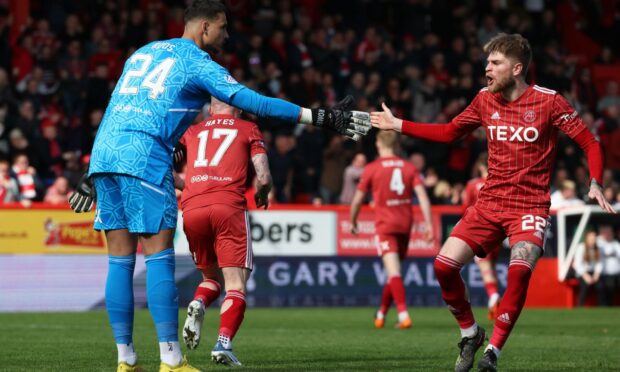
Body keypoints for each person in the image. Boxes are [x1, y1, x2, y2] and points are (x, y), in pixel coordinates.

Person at [68, 1, 371, 371]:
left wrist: (91, 171)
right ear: (206, 27)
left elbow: (117, 109)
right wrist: (320, 116)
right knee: (159, 256)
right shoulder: (198, 62)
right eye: (224, 28)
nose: (227, 35)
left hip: (107, 156)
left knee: (119, 262)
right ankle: (171, 361)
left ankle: (126, 360)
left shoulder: (142, 53)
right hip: (146, 157)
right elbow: (254, 102)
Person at [371, 33, 616, 372]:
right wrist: (398, 124)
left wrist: (595, 182)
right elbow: (449, 132)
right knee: (443, 266)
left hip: (529, 207)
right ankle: (471, 334)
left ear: (517, 68)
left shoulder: (549, 102)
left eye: (495, 63)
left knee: (518, 273)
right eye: (487, 62)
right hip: (489, 204)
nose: (486, 68)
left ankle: (493, 353)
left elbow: (590, 142)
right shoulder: (485, 99)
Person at [178, 98, 270, 366]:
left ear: (210, 107)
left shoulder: (192, 131)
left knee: (211, 278)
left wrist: (185, 185)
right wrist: (263, 193)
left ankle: (198, 302)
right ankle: (223, 344)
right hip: (228, 206)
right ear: (238, 106)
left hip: (192, 208)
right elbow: (263, 175)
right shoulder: (247, 128)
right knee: (236, 282)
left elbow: (159, 162)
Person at [349, 130, 433, 329]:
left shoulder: (371, 168)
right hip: (405, 224)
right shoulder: (409, 167)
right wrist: (428, 224)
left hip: (385, 225)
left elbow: (358, 200)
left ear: (378, 144)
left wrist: (353, 221)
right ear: (396, 145)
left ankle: (403, 315)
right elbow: (422, 196)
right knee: (393, 272)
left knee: (393, 271)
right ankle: (381, 313)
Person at [462, 153, 501, 320]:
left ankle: (493, 296)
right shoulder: (500, 183)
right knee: (491, 266)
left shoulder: (472, 185)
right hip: (499, 230)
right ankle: (495, 305)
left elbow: (465, 208)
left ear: (480, 166)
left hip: (480, 230)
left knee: (485, 268)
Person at [572, 230, 602, 306]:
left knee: (601, 287)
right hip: (582, 273)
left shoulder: (598, 249)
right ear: (587, 239)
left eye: (594, 239)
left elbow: (599, 263)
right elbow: (577, 264)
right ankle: (580, 306)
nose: (593, 241)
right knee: (584, 287)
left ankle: (602, 307)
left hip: (593, 272)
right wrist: (586, 276)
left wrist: (596, 275)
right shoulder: (581, 247)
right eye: (591, 239)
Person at [596, 225, 620, 306]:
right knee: (607, 291)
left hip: (616, 273)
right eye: (606, 233)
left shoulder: (615, 243)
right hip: (604, 273)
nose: (609, 234)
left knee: (612, 291)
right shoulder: (599, 242)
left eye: (610, 232)